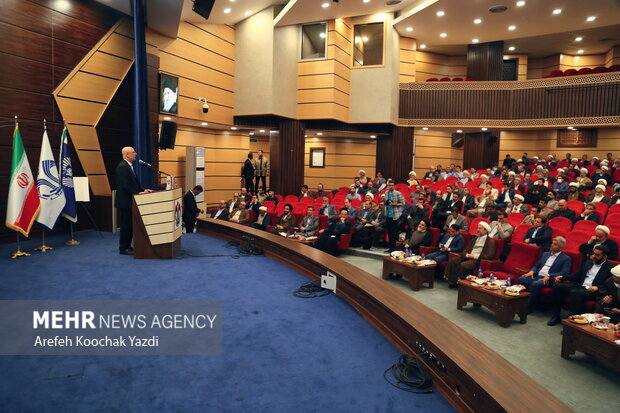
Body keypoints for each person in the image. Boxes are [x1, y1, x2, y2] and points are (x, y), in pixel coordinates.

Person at [547, 245, 614, 325]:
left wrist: (597, 287)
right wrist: (563, 277)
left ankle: (571, 322)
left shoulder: (610, 268)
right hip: (580, 286)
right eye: (594, 253)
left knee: (575, 293)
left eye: (597, 255)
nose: (594, 256)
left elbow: (610, 285)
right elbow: (578, 275)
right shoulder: (589, 262)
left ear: (605, 257)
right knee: (557, 287)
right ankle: (556, 316)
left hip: (594, 291)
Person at [517, 237, 572, 313]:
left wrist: (550, 276)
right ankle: (518, 303)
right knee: (521, 279)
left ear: (561, 247)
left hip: (548, 280)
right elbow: (537, 266)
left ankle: (529, 307)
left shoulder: (566, 258)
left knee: (535, 284)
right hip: (537, 276)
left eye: (555, 244)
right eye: (552, 243)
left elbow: (564, 273)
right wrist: (532, 271)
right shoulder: (545, 254)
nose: (552, 245)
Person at [115, 146, 152, 255]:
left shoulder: (128, 166)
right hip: (125, 202)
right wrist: (137, 193)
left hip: (130, 200)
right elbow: (125, 185)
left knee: (130, 225)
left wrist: (143, 190)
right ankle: (123, 247)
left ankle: (127, 246)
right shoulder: (122, 167)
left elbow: (133, 184)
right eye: (133, 152)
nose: (136, 154)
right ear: (127, 154)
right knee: (126, 226)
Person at [444, 222, 496, 288]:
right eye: (478, 228)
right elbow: (467, 249)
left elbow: (489, 255)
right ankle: (452, 281)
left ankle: (461, 283)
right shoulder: (475, 239)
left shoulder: (490, 241)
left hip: (477, 259)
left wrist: (473, 256)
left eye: (480, 228)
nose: (478, 230)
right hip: (468, 256)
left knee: (463, 265)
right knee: (453, 260)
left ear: (486, 231)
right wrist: (466, 254)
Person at [383, 179, 405, 252]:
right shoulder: (386, 193)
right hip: (388, 215)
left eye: (392, 186)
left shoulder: (398, 193)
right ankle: (390, 248)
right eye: (390, 185)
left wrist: (393, 204)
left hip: (395, 215)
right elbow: (386, 203)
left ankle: (394, 249)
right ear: (388, 186)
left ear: (394, 186)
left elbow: (402, 203)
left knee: (394, 233)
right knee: (389, 232)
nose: (391, 187)